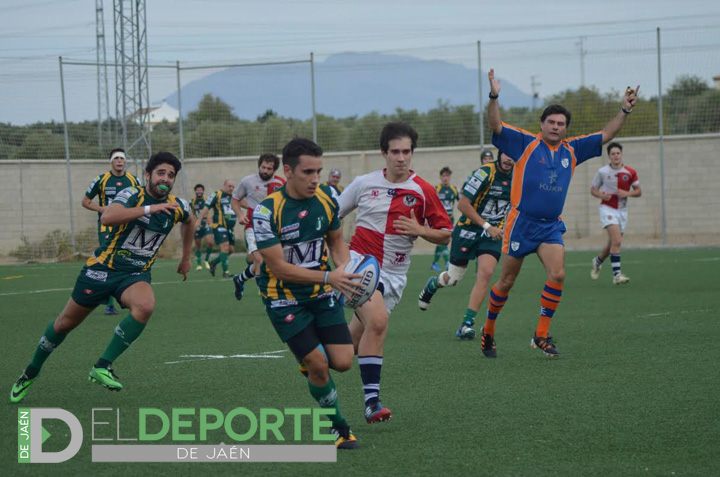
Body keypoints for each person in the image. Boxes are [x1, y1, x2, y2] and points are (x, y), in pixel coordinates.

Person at [10, 152, 193, 402]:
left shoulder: (178, 206)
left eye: (171, 175)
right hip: (101, 270)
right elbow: (108, 216)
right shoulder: (131, 194)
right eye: (161, 173)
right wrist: (150, 208)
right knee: (64, 324)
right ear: (148, 175)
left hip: (134, 275)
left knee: (146, 305)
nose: (166, 179)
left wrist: (186, 257)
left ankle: (102, 366)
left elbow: (190, 221)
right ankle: (30, 373)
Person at [481, 69, 639, 357]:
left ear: (566, 127)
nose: (555, 127)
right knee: (506, 282)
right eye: (551, 122)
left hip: (551, 226)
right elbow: (495, 125)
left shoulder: (572, 150)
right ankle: (488, 330)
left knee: (558, 274)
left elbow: (606, 134)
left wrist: (624, 110)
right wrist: (494, 95)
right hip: (521, 224)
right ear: (542, 124)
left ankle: (540, 335)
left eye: (561, 123)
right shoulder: (525, 143)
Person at [338, 122, 452, 423]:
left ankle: (316, 360)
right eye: (395, 152)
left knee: (349, 347)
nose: (401, 157)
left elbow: (445, 233)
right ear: (383, 153)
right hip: (360, 267)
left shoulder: (424, 190)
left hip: (395, 275)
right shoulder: (364, 183)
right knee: (377, 322)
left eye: (407, 152)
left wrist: (420, 230)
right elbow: (330, 216)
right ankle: (372, 403)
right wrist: (333, 257)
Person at [253, 137, 362, 449]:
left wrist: (349, 271)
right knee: (318, 363)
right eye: (308, 172)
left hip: (321, 294)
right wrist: (331, 277)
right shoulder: (266, 211)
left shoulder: (327, 199)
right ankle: (339, 428)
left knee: (342, 362)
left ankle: (309, 362)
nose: (316, 179)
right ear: (288, 171)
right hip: (282, 297)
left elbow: (337, 240)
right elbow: (279, 268)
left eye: (319, 171)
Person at [418, 152, 514, 357]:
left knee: (486, 273)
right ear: (499, 154)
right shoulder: (484, 173)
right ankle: (433, 284)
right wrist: (487, 225)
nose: (509, 159)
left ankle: (466, 323)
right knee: (452, 279)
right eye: (506, 154)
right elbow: (462, 205)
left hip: (492, 235)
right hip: (468, 230)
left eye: (514, 155)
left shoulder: (520, 176)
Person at [82, 148, 140, 315]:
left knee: (125, 260)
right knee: (109, 260)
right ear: (111, 162)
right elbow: (85, 201)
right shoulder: (101, 180)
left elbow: (140, 199)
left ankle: (124, 296)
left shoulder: (133, 180)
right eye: (116, 158)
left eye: (122, 158)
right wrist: (102, 209)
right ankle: (109, 302)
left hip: (126, 226)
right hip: (106, 226)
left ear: (125, 161)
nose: (120, 161)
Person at [231, 153, 285, 300]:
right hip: (252, 227)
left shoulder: (281, 184)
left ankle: (240, 279)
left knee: (268, 261)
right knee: (260, 260)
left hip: (272, 228)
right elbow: (235, 199)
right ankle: (266, 295)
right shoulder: (247, 181)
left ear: (274, 170)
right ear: (259, 166)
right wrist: (240, 215)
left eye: (269, 168)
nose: (265, 171)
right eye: (263, 167)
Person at [590, 142, 641, 284]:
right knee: (617, 241)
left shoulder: (630, 172)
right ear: (609, 156)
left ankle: (598, 261)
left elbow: (638, 191)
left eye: (618, 153)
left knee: (612, 244)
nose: (616, 156)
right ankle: (617, 275)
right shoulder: (602, 172)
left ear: (621, 155)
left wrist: (628, 193)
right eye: (613, 154)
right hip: (607, 209)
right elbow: (593, 189)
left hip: (622, 211)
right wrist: (602, 195)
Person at [197, 179, 236, 278]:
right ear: (224, 185)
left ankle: (213, 263)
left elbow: (240, 205)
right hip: (219, 226)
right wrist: (198, 220)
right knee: (225, 246)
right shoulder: (216, 194)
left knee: (230, 250)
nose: (231, 188)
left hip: (230, 228)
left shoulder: (234, 197)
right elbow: (206, 208)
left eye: (233, 187)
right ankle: (226, 273)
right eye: (229, 186)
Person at [430, 166, 459, 271]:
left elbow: (462, 202)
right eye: (443, 176)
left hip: (450, 219)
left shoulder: (454, 189)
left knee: (441, 241)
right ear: (440, 177)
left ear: (450, 177)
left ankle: (434, 263)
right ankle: (448, 262)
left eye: (447, 176)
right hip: (439, 219)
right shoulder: (436, 189)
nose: (445, 178)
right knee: (444, 240)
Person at [190, 184, 214, 271]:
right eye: (197, 190)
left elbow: (213, 208)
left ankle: (206, 260)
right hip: (197, 225)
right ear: (195, 191)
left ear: (203, 191)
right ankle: (199, 264)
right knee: (197, 244)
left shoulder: (207, 200)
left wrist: (210, 218)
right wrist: (195, 222)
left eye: (200, 190)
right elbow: (191, 213)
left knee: (210, 242)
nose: (199, 191)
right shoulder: (192, 201)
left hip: (206, 224)